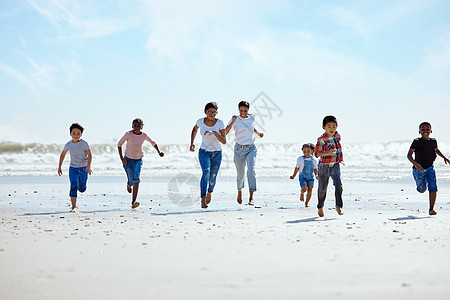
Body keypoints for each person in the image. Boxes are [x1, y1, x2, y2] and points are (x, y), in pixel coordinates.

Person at [118, 118, 164, 209]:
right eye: (135, 125)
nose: (137, 127)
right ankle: (128, 184)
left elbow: (153, 143)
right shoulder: (128, 134)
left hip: (138, 160)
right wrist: (122, 158)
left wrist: (159, 152)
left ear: (142, 127)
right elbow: (119, 144)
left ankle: (133, 202)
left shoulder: (144, 135)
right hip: (127, 160)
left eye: (139, 126)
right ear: (132, 126)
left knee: (136, 179)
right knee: (131, 181)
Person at [225, 101, 264, 206]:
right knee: (241, 174)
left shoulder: (252, 118)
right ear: (238, 109)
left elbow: (251, 127)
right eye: (241, 110)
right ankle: (239, 191)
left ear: (248, 110)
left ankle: (251, 197)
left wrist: (258, 133)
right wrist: (232, 122)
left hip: (251, 148)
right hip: (239, 149)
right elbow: (225, 132)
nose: (243, 112)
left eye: (245, 111)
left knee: (251, 170)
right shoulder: (235, 119)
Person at [407, 122, 449, 215]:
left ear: (431, 131)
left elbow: (436, 149)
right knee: (422, 190)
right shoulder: (417, 141)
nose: (425, 131)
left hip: (430, 168)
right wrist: (415, 164)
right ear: (419, 131)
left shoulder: (433, 141)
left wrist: (444, 157)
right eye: (423, 129)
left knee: (433, 187)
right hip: (418, 170)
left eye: (427, 129)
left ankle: (431, 209)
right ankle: (421, 185)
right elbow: (409, 155)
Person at [190, 102, 226, 208]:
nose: (212, 114)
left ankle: (209, 191)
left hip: (217, 153)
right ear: (205, 111)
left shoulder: (220, 123)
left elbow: (224, 141)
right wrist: (192, 143)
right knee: (206, 172)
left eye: (214, 112)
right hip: (204, 152)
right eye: (210, 112)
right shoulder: (200, 121)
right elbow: (194, 129)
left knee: (212, 177)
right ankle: (203, 199)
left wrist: (215, 133)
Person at [58, 123, 92, 212]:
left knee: (82, 188)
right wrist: (59, 167)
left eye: (78, 133)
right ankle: (73, 206)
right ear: (70, 134)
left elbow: (90, 155)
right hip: (73, 168)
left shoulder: (84, 144)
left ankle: (82, 186)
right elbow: (62, 155)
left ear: (81, 134)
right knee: (73, 185)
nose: (76, 135)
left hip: (83, 168)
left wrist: (88, 166)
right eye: (74, 133)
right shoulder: (68, 144)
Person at [314, 115, 344, 217]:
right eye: (329, 126)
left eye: (333, 126)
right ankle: (320, 206)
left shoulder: (337, 136)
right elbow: (317, 154)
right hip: (324, 166)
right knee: (322, 188)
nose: (331, 129)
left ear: (337, 126)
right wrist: (328, 153)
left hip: (335, 165)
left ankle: (338, 206)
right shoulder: (321, 139)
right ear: (324, 127)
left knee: (338, 185)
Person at [290, 143, 318, 207]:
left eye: (308, 151)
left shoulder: (313, 161)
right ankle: (302, 193)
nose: (306, 153)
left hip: (310, 177)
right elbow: (297, 167)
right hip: (302, 176)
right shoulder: (300, 159)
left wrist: (316, 175)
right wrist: (293, 175)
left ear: (312, 151)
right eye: (304, 151)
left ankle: (306, 203)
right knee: (304, 189)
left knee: (310, 190)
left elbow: (315, 169)